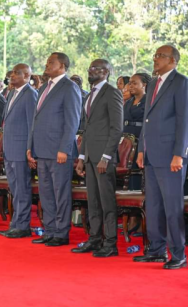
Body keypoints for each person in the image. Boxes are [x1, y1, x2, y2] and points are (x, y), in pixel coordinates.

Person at [135, 45, 188, 269]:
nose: (156, 59)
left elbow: (184, 121)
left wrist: (179, 154)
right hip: (150, 155)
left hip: (170, 157)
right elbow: (146, 120)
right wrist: (140, 149)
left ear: (173, 60)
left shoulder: (181, 82)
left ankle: (178, 254)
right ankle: (156, 250)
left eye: (161, 56)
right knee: (154, 205)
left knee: (171, 206)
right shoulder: (154, 83)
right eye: (155, 55)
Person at [27, 52, 81, 246]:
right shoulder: (43, 89)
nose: (47, 64)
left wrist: (64, 149)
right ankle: (49, 230)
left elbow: (72, 121)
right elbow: (36, 120)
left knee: (61, 193)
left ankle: (61, 232)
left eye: (51, 62)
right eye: (47, 61)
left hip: (59, 151)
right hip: (41, 150)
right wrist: (30, 147)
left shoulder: (69, 88)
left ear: (63, 66)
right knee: (46, 193)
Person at [73, 59, 123, 257]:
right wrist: (81, 156)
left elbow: (117, 128)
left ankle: (110, 243)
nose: (91, 71)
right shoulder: (90, 95)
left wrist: (106, 156)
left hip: (104, 157)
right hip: (89, 155)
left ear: (107, 72)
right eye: (90, 68)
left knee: (106, 200)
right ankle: (94, 239)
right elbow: (87, 128)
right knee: (92, 200)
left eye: (96, 69)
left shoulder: (112, 93)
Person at [0, 64, 37, 238]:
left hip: (21, 150)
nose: (11, 76)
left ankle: (22, 226)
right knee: (14, 189)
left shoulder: (30, 95)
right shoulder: (12, 92)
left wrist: (29, 149)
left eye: (16, 73)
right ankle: (15, 223)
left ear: (27, 75)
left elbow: (31, 126)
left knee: (22, 189)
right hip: (9, 148)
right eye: (12, 72)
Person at [123, 72, 151, 193]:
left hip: (140, 137)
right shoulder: (129, 101)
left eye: (134, 83)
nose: (131, 86)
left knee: (137, 168)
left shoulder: (148, 100)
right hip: (126, 139)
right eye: (129, 83)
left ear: (144, 84)